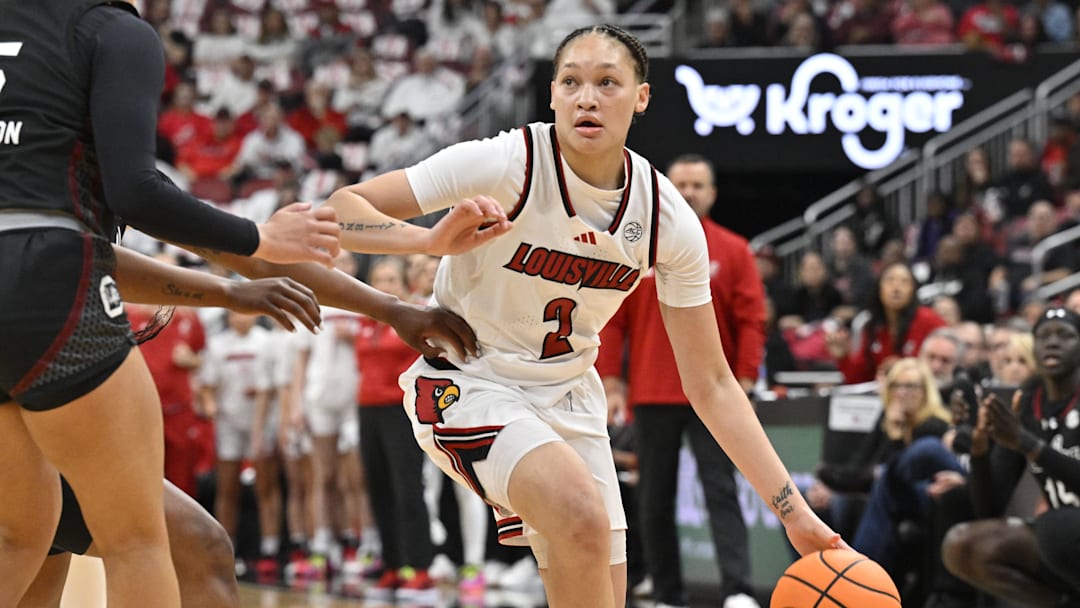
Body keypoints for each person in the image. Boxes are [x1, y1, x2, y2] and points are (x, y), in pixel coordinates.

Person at [323, 24, 844, 607]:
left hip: (571, 399)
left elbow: (714, 383)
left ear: (641, 97)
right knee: (579, 512)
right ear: (551, 94)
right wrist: (426, 242)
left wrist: (792, 514)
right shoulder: (506, 162)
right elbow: (341, 210)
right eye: (570, 82)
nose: (586, 98)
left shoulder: (667, 218)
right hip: (469, 379)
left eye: (607, 83)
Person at [0, 1, 340, 604]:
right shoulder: (112, 30)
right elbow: (137, 193)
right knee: (138, 542)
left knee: (17, 540)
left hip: (30, 271)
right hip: (48, 286)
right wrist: (259, 236)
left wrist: (231, 290)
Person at [597, 153, 766, 608]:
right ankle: (668, 593)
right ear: (665, 190)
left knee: (721, 491)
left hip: (712, 394)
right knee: (653, 499)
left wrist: (747, 376)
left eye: (698, 185)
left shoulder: (733, 250)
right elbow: (610, 318)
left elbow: (752, 320)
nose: (689, 192)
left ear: (712, 193)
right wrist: (611, 378)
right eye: (681, 185)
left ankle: (738, 592)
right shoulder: (637, 247)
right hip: (652, 391)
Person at [942, 307, 1080, 608]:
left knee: (1057, 526)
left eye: (1065, 336)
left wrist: (1029, 445)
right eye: (1043, 336)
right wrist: (979, 452)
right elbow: (988, 508)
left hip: (1065, 533)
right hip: (1063, 544)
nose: (1052, 343)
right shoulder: (1028, 406)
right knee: (963, 544)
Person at [827, 262, 948, 384]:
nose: (896, 288)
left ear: (913, 290)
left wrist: (904, 369)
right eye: (890, 280)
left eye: (904, 282)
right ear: (879, 288)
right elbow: (860, 379)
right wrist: (843, 357)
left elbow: (947, 363)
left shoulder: (929, 320)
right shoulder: (872, 326)